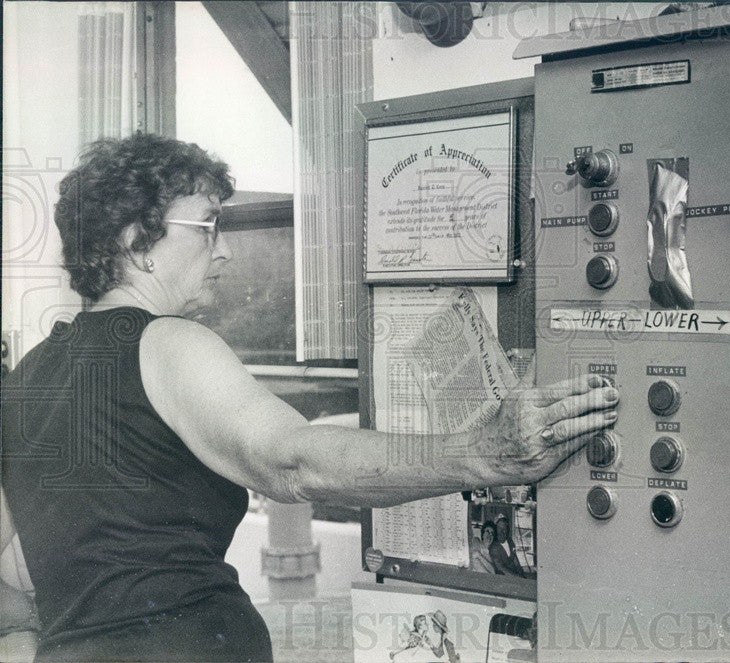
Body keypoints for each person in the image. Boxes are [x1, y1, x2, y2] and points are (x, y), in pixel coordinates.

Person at [0, 133, 619, 662]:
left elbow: (5, 575)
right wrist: (485, 453)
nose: (225, 249)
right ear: (137, 242)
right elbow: (292, 461)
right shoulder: (168, 342)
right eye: (207, 225)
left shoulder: (29, 377)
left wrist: (39, 640)